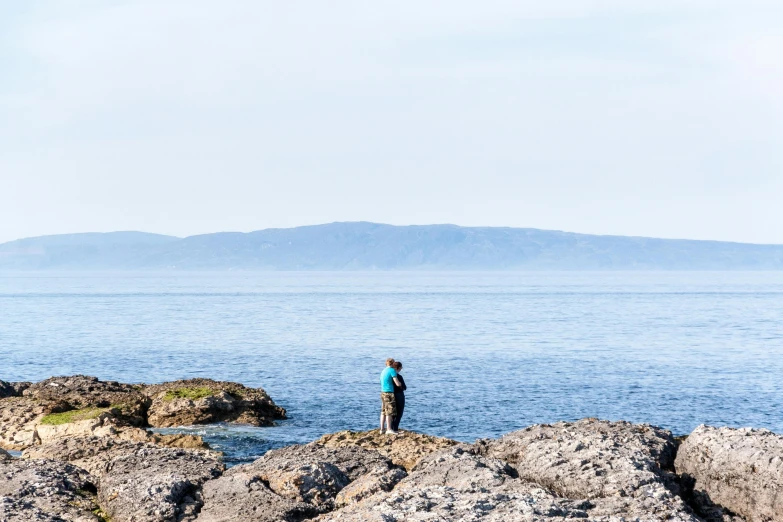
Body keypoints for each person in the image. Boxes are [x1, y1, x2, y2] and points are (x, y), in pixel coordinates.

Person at [380, 358, 402, 435]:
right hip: (389, 392)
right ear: (392, 364)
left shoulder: (383, 371)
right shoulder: (392, 370)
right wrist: (400, 384)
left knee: (383, 411)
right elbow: (396, 382)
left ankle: (382, 429)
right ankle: (389, 429)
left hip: (383, 392)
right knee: (390, 411)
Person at [391, 361, 406, 432]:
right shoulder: (399, 377)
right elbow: (404, 387)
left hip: (391, 394)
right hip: (399, 394)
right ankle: (395, 428)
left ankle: (390, 427)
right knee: (399, 412)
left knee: (392, 412)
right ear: (398, 368)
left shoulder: (390, 376)